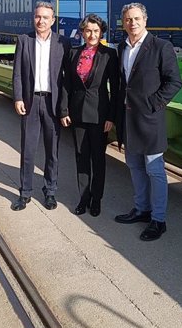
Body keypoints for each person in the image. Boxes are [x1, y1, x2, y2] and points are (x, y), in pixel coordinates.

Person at [114, 2, 182, 241]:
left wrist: (154, 104)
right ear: (123, 23)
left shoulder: (161, 47)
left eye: (136, 19)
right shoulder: (121, 47)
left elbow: (175, 82)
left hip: (150, 119)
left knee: (155, 170)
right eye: (128, 20)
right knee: (134, 166)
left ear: (145, 20)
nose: (132, 23)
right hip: (128, 118)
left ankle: (159, 220)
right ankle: (141, 209)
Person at [11, 2, 71, 211]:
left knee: (52, 151)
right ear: (33, 18)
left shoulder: (63, 43)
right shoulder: (24, 40)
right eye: (38, 17)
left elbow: (67, 79)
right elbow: (17, 72)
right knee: (28, 150)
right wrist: (18, 98)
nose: (41, 21)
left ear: (53, 20)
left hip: (52, 103)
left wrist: (65, 108)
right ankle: (25, 192)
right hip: (30, 101)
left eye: (46, 17)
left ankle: (50, 191)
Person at [59, 14, 118, 217]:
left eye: (96, 30)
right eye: (88, 30)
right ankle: (83, 198)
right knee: (81, 157)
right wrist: (64, 110)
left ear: (101, 32)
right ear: (82, 32)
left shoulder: (109, 55)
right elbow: (66, 84)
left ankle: (96, 199)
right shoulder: (73, 53)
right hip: (77, 114)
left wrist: (111, 116)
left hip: (100, 116)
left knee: (98, 159)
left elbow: (116, 90)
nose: (92, 34)